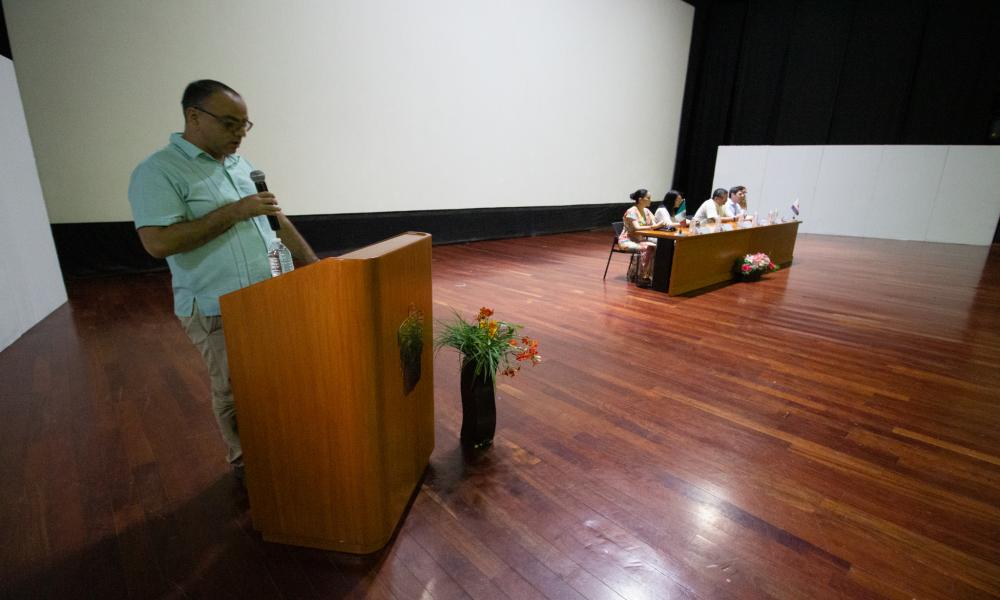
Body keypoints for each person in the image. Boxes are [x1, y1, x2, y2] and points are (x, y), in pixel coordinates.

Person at [128, 79, 319, 480]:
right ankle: (247, 466)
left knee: (276, 378)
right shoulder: (157, 171)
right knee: (233, 390)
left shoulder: (241, 166)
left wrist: (316, 266)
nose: (239, 134)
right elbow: (158, 243)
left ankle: (280, 446)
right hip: (216, 305)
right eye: (230, 123)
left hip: (269, 297)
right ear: (194, 117)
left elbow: (275, 220)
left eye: (244, 125)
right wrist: (236, 211)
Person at [618, 188, 661, 287]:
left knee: (658, 246)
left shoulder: (646, 211)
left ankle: (647, 275)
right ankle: (641, 276)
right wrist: (653, 227)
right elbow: (637, 227)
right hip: (627, 240)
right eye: (648, 198)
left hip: (640, 239)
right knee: (648, 247)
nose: (650, 200)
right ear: (640, 199)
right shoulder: (631, 211)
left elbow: (655, 223)